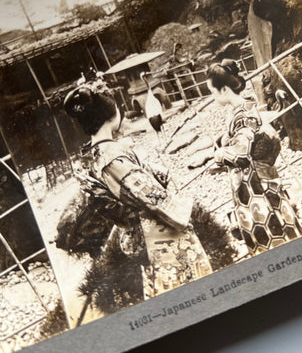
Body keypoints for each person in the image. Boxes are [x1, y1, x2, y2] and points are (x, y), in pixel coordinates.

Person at [63, 84, 212, 301]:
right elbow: (151, 197)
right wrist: (180, 203)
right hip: (158, 233)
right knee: (192, 292)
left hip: (139, 235)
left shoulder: (94, 156)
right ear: (112, 115)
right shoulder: (111, 156)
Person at [207, 59, 302, 256]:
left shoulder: (243, 115)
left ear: (224, 90)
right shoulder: (243, 108)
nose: (213, 96)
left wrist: (218, 156)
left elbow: (241, 153)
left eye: (213, 91)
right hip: (254, 181)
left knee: (273, 237)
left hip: (256, 186)